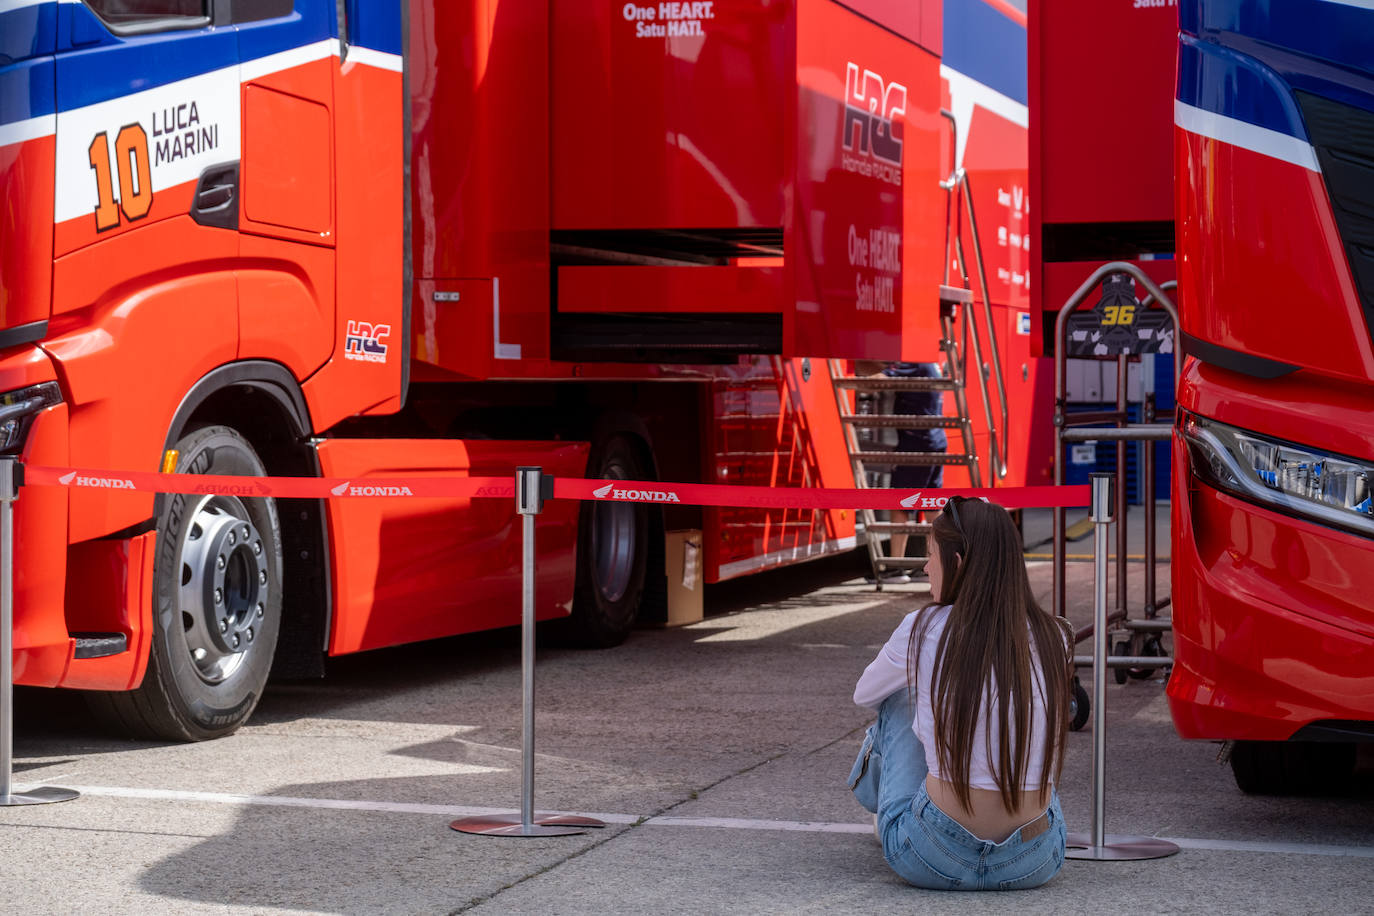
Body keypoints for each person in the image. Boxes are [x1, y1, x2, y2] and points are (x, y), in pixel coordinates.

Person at [848, 496, 1071, 890]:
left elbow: (864, 694)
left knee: (900, 699)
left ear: (958, 562)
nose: (925, 566)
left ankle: (888, 811)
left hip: (930, 854)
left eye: (931, 554)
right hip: (1033, 860)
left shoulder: (922, 626)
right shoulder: (1055, 634)